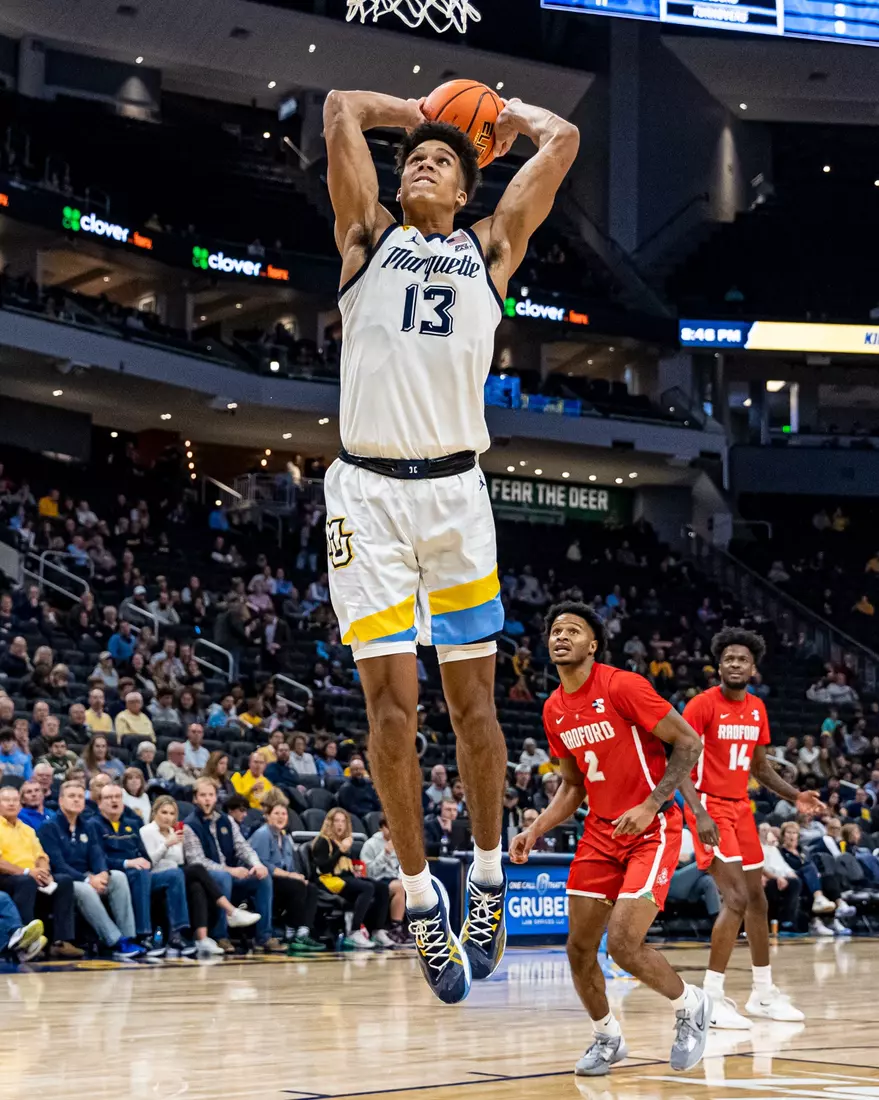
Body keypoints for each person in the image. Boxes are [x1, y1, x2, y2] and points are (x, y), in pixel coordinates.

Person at [322, 86, 579, 1003]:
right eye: (412, 160)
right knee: (391, 713)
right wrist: (421, 114)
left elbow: (566, 139)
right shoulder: (366, 240)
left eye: (439, 158)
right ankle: (423, 895)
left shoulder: (489, 247)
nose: (420, 163)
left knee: (474, 709)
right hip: (367, 496)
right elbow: (339, 107)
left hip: (457, 497)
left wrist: (515, 117)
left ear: (469, 188)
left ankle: (484, 878)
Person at [510, 602, 707, 1076]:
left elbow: (689, 742)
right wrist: (535, 829)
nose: (561, 637)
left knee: (622, 943)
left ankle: (691, 1005)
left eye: (573, 631)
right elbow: (574, 786)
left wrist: (651, 804)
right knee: (578, 948)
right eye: (556, 631)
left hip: (651, 828)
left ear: (592, 644)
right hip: (600, 833)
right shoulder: (554, 708)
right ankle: (607, 1036)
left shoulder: (622, 686)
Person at [679, 629, 822, 1029]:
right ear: (719, 666)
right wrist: (699, 814)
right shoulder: (702, 705)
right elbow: (678, 766)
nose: (735, 664)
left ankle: (762, 993)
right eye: (729, 659)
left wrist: (796, 797)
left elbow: (760, 768)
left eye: (742, 659)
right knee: (737, 899)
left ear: (753, 667)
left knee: (758, 900)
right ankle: (711, 998)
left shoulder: (757, 707)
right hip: (709, 805)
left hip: (741, 808)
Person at [141, 795, 258, 957]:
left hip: (176, 878)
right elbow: (148, 863)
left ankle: (201, 938)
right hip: (155, 878)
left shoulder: (175, 832)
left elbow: (180, 861)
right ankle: (231, 911)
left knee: (197, 885)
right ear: (155, 813)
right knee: (196, 869)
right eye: (164, 812)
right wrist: (166, 844)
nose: (168, 817)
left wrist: (175, 842)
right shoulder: (146, 831)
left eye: (172, 813)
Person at [38, 781, 144, 959]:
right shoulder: (49, 828)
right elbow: (58, 864)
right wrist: (88, 880)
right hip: (62, 879)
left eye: (80, 796)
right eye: (72, 796)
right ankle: (115, 941)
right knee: (84, 888)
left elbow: (97, 854)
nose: (77, 800)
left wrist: (102, 872)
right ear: (61, 800)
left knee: (117, 876)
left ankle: (128, 936)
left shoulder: (87, 825)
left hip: (89, 876)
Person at [182, 777, 282, 953]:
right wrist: (230, 870)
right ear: (195, 799)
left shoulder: (226, 820)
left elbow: (243, 846)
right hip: (209, 880)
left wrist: (257, 864)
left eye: (210, 795)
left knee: (263, 877)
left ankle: (263, 937)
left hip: (231, 876)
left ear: (215, 798)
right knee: (224, 876)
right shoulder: (190, 825)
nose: (207, 799)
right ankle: (221, 936)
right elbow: (197, 862)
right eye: (203, 795)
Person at [91, 783, 193, 957]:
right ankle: (143, 934)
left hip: (141, 874)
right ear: (99, 803)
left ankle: (177, 933)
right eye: (109, 798)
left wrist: (144, 862)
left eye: (117, 797)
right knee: (140, 873)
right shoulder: (93, 824)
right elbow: (98, 859)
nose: (114, 801)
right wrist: (127, 862)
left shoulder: (132, 824)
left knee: (175, 875)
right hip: (117, 875)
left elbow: (145, 857)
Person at [0, 785, 82, 958]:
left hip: (30, 874)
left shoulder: (27, 830)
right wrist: (27, 872)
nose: (11, 804)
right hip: (7, 876)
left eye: (15, 800)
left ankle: (61, 941)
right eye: (6, 800)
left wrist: (44, 872)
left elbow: (41, 855)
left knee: (64, 881)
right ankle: (28, 943)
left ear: (20, 805)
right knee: (26, 882)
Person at [249, 796, 325, 952]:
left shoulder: (285, 839)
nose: (281, 817)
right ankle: (290, 931)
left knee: (310, 888)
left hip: (282, 882)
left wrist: (295, 876)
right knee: (296, 885)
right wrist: (291, 876)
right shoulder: (263, 834)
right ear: (268, 816)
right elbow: (262, 864)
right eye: (276, 813)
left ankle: (303, 932)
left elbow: (290, 867)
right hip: (262, 881)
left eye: (284, 814)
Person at [311, 809, 389, 949]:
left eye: (343, 821)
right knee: (367, 887)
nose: (340, 825)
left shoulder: (345, 842)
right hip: (328, 880)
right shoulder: (322, 841)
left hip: (345, 878)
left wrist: (355, 869)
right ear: (330, 823)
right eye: (336, 821)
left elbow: (346, 868)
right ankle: (354, 931)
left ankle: (378, 930)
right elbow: (324, 868)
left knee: (382, 887)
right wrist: (340, 851)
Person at [360, 813, 409, 944]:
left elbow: (401, 867)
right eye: (389, 827)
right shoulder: (370, 844)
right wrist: (385, 853)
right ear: (382, 828)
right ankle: (395, 928)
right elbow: (369, 872)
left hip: (394, 879)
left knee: (410, 885)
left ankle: (409, 929)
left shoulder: (399, 843)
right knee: (400, 887)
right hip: (376, 880)